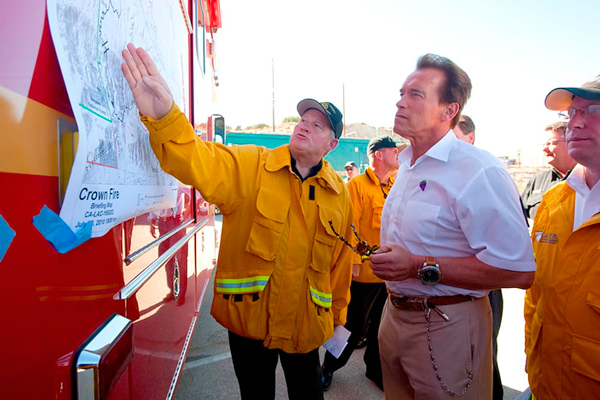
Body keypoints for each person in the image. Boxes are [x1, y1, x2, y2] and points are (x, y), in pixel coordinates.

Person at [121, 43, 354, 400]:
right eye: (303, 120)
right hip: (250, 325)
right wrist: (166, 116)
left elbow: (340, 262)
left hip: (306, 327)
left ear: (332, 143)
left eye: (317, 125)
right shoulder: (251, 166)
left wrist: (338, 315)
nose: (304, 126)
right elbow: (197, 160)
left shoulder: (339, 192)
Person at [369, 53, 535, 400]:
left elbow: (517, 271)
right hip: (395, 315)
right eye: (401, 92)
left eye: (416, 94)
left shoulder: (478, 170)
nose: (400, 102)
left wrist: (417, 265)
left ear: (449, 111)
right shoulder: (408, 165)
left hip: (448, 326)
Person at [524, 77, 600, 398]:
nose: (575, 123)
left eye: (592, 110)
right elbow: (534, 295)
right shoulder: (554, 200)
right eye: (572, 113)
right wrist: (532, 356)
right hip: (547, 382)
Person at [321, 136, 404, 392]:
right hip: (362, 274)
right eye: (394, 151)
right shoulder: (357, 186)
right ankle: (327, 367)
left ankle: (375, 369)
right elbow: (350, 226)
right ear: (379, 155)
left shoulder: (394, 185)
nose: (399, 155)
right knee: (350, 327)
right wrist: (355, 262)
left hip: (387, 275)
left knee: (382, 328)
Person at [521, 121, 576, 220]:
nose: (545, 149)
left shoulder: (589, 179)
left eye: (551, 143)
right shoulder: (537, 181)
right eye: (544, 144)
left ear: (571, 143)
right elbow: (521, 218)